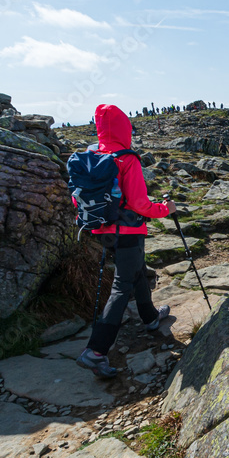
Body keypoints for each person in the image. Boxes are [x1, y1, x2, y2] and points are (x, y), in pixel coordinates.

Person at [76, 104, 176, 378]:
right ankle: (96, 351)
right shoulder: (126, 159)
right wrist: (166, 209)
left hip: (100, 230)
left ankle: (151, 318)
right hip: (129, 231)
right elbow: (140, 204)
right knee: (121, 286)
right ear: (124, 128)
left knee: (136, 272)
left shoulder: (91, 155)